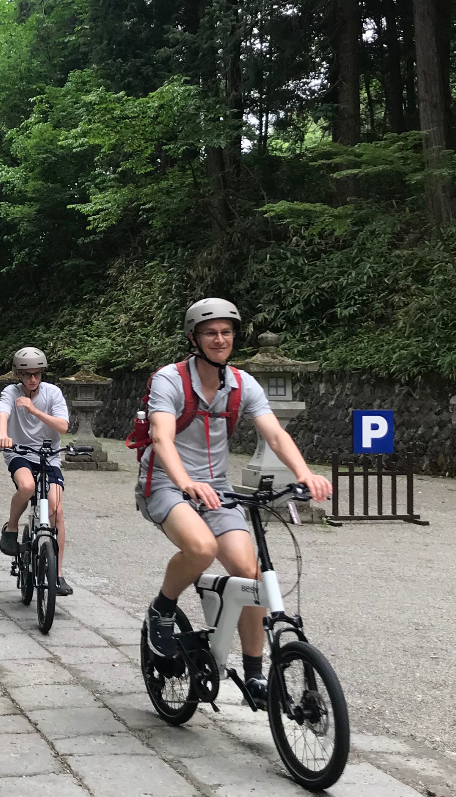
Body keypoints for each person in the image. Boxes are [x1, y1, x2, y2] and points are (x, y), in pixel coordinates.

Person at [139, 298, 332, 705]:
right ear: (194, 338)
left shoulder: (242, 384)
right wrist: (186, 481)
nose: (220, 339)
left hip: (217, 487)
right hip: (165, 481)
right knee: (202, 547)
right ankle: (163, 607)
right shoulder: (169, 380)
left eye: (227, 332)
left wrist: (303, 473)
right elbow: (161, 438)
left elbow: (275, 434)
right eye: (211, 332)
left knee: (249, 572)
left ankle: (255, 675)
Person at [0, 347, 73, 597]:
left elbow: (62, 426)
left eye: (37, 374)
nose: (32, 379)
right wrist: (3, 435)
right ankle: (12, 527)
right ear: (18, 374)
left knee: (56, 510)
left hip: (49, 456)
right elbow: (2, 414)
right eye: (27, 374)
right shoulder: (10, 392)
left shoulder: (53, 393)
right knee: (27, 487)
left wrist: (33, 409)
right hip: (19, 452)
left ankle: (58, 575)